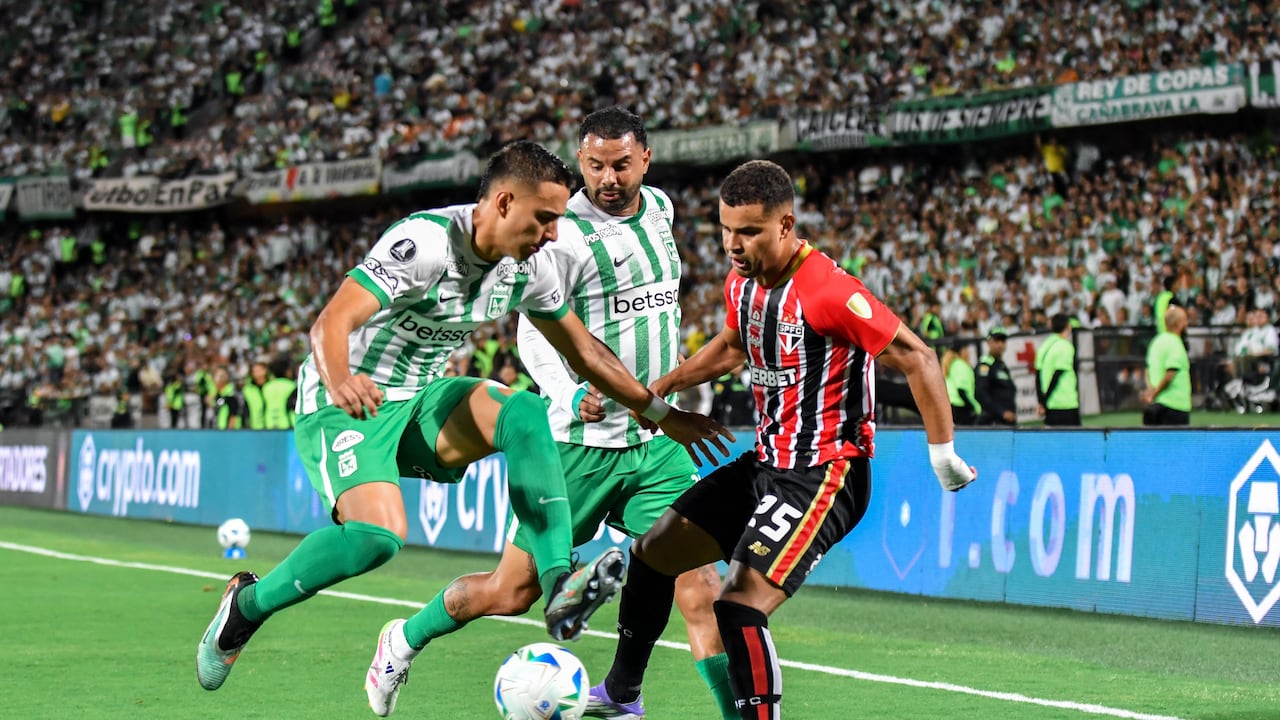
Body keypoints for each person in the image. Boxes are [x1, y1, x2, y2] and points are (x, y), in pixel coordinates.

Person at [196, 140, 732, 695]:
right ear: (503, 204)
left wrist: (662, 413)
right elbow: (330, 323)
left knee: (524, 412)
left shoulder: (531, 267)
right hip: (347, 400)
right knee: (377, 539)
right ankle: (248, 605)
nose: (554, 234)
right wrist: (341, 379)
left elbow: (586, 354)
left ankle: (561, 586)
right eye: (545, 219)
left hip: (421, 399)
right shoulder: (425, 243)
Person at [364, 106, 738, 720]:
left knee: (700, 588)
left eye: (621, 164)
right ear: (580, 160)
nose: (608, 177)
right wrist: (568, 396)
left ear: (645, 159)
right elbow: (535, 333)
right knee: (510, 593)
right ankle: (403, 639)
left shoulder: (663, 211)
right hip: (575, 445)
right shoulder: (560, 235)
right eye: (594, 165)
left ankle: (648, 700)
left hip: (654, 445)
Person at [585, 160, 976, 719]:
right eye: (725, 229)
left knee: (738, 605)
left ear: (786, 225)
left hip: (827, 473)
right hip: (768, 463)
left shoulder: (830, 292)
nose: (732, 244)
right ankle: (622, 698)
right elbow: (733, 344)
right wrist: (665, 386)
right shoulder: (742, 282)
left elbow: (918, 356)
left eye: (748, 232)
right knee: (653, 552)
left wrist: (943, 455)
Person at [1142, 306, 1191, 425]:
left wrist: (1150, 392)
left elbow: (1147, 371)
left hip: (1154, 406)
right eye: (1185, 320)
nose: (1186, 324)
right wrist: (1154, 394)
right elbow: (1170, 374)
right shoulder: (1175, 343)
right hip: (1175, 406)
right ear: (1178, 323)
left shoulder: (1156, 342)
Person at [1036, 313, 1080, 426]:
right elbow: (1058, 374)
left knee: (1052, 441)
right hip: (1066, 403)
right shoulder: (1065, 346)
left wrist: (1042, 401)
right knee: (1075, 441)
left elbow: (1038, 375)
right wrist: (1045, 401)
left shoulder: (1044, 345)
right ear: (1068, 327)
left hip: (1051, 406)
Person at [975, 327, 1017, 425]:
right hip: (993, 421)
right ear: (989, 342)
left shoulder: (1001, 365)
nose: (1000, 344)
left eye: (1003, 341)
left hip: (1006, 420)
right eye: (997, 340)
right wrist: (1002, 412)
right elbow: (981, 393)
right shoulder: (985, 365)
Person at [942, 340, 979, 426]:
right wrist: (974, 407)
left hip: (951, 405)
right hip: (960, 406)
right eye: (966, 349)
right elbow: (961, 390)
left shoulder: (952, 364)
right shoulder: (960, 365)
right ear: (962, 351)